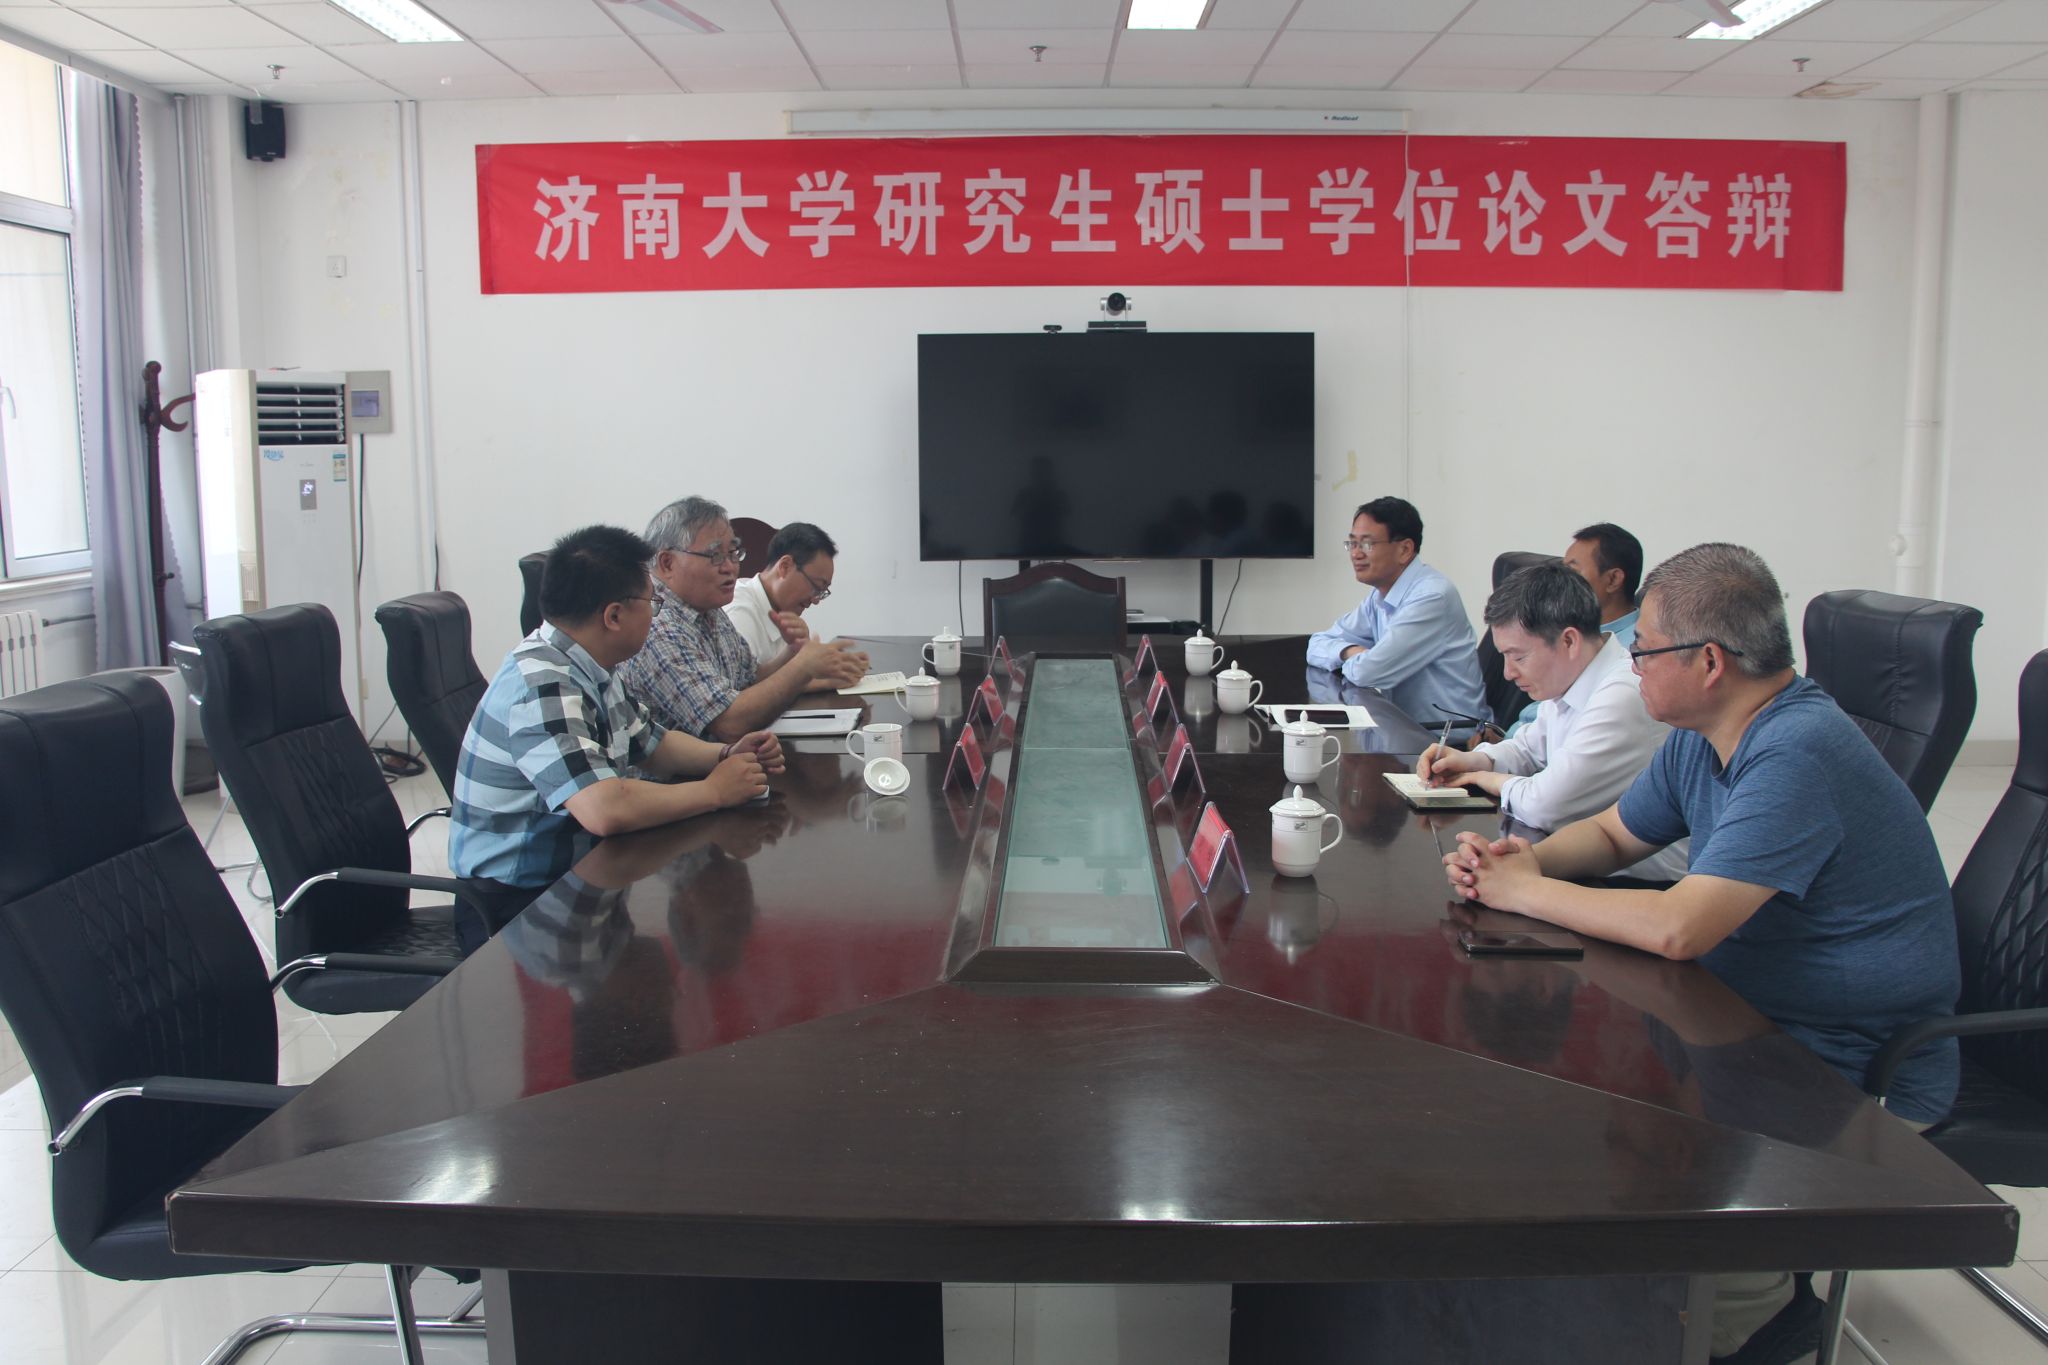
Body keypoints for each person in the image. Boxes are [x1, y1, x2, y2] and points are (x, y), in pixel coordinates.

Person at [1441, 542, 1959, 1364]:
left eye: (1644, 648)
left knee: (1649, 1232)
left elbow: (1681, 927)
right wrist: (1526, 861)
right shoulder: (1702, 731)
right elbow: (1616, 834)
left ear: (1709, 661)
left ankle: (1757, 1321)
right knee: (1588, 1132)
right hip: (1750, 1016)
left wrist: (1524, 894)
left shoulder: (1796, 750)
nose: (1631, 664)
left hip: (1850, 1060)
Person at [450, 524, 786, 935]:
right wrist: (715, 791)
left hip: (575, 877)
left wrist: (726, 755)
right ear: (613, 616)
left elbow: (654, 743)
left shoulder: (588, 664)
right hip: (516, 907)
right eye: (652, 603)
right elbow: (605, 809)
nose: (656, 614)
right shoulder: (544, 685)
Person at [1418, 562, 1687, 882]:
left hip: (1639, 883)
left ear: (1569, 641)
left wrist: (1482, 777)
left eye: (1518, 657)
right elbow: (1527, 749)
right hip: (1579, 859)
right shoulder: (1571, 679)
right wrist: (1473, 760)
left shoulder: (1622, 691)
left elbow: (1545, 805)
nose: (1507, 673)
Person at [620, 496, 868, 741]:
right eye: (715, 555)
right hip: (691, 767)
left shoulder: (708, 608)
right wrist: (803, 666)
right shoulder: (657, 626)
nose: (730, 567)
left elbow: (750, 679)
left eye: (733, 552)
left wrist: (792, 653)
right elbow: (728, 723)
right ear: (667, 563)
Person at [1306, 496, 1487, 724]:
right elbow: (1316, 644)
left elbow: (1368, 673)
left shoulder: (1432, 598)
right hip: (1405, 730)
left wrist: (1357, 658)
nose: (1355, 554)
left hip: (1447, 736)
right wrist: (1350, 651)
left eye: (1367, 544)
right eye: (1352, 543)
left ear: (1404, 549)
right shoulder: (1380, 595)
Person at [725, 520, 846, 674]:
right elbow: (746, 687)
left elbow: (794, 676)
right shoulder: (739, 613)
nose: (815, 600)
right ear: (785, 566)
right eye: (816, 587)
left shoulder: (783, 611)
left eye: (822, 592)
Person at [1562, 521, 1644, 650]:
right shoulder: (1556, 633)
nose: (1559, 580)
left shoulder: (1643, 647)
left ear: (1613, 580)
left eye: (1572, 571)